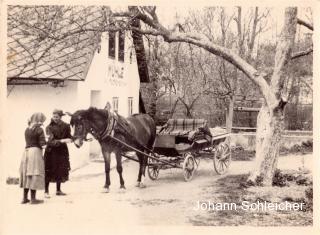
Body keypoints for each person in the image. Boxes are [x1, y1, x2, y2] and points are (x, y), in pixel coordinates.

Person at [44, 109, 72, 198]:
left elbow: (69, 136)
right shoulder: (49, 127)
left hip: (62, 151)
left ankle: (58, 190)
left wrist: (74, 139)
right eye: (54, 116)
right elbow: (50, 141)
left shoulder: (66, 126)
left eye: (57, 117)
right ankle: (46, 191)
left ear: (60, 117)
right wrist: (63, 140)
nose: (55, 118)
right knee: (48, 170)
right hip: (51, 152)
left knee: (60, 170)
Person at [20, 112, 47, 204]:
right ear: (39, 120)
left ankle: (24, 198)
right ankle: (33, 199)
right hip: (35, 153)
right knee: (34, 173)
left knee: (27, 174)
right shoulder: (39, 130)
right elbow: (43, 145)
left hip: (26, 152)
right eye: (42, 121)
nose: (42, 123)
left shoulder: (27, 129)